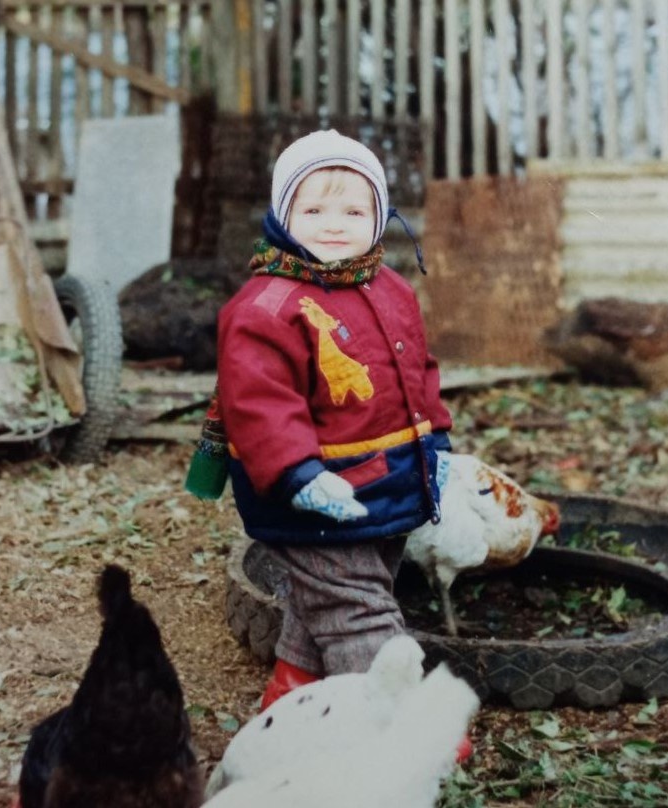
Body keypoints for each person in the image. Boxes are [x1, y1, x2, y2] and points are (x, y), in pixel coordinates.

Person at [190, 129, 452, 707]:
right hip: (313, 489)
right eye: (313, 209)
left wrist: (438, 440)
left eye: (354, 210)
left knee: (350, 588)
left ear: (380, 215)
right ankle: (390, 718)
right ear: (284, 214)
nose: (334, 224)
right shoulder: (267, 307)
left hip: (393, 478)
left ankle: (293, 688)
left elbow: (418, 367)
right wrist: (298, 476)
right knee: (358, 609)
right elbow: (258, 403)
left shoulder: (389, 288)